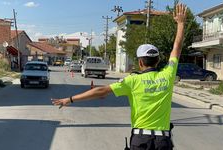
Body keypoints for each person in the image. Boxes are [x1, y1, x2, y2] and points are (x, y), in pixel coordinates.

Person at [52, 3, 187, 150]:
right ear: (158, 60)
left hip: (141, 140)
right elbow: (177, 48)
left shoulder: (132, 80)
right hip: (163, 141)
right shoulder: (168, 75)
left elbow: (101, 91)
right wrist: (180, 24)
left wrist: (70, 99)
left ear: (140, 62)